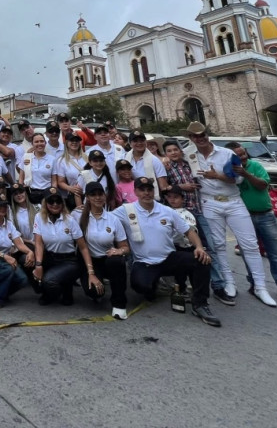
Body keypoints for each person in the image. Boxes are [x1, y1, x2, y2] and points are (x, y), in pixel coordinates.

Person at [185, 123, 276, 308]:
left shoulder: (227, 154)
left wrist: (217, 176)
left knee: (249, 244)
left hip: (233, 201)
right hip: (209, 202)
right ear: (191, 138)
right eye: (195, 136)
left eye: (202, 135)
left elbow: (239, 179)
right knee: (217, 244)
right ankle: (229, 282)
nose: (199, 138)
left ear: (207, 135)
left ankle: (260, 286)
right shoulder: (189, 154)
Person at [116, 177, 221, 327]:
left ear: (154, 191)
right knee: (140, 287)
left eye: (149, 189)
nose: (146, 193)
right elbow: (105, 218)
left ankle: (200, 304)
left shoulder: (166, 211)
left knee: (201, 259)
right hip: (144, 261)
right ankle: (152, 286)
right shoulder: (125, 210)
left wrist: (198, 246)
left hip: (169, 258)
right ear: (136, 192)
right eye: (142, 190)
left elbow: (188, 231)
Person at [227, 143, 277, 303]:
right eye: (238, 156)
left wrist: (246, 173)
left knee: (276, 253)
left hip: (265, 215)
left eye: (244, 154)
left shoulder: (255, 165)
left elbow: (263, 185)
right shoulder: (228, 170)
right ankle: (254, 284)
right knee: (249, 252)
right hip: (244, 218)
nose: (243, 157)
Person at [162, 138, 226, 295]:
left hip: (196, 210)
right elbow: (164, 188)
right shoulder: (167, 168)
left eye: (175, 149)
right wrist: (180, 187)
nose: (173, 153)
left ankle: (218, 284)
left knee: (208, 246)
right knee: (181, 249)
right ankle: (181, 285)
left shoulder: (191, 164)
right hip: (178, 213)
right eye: (169, 151)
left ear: (180, 150)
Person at [77, 182, 130, 319]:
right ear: (87, 197)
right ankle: (96, 291)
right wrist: (91, 273)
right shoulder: (79, 218)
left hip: (108, 259)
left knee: (117, 262)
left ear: (105, 196)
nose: (97, 197)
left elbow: (125, 247)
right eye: (93, 195)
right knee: (94, 292)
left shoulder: (113, 219)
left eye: (100, 194)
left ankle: (119, 303)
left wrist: (120, 251)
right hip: (90, 261)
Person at [32, 191, 91, 306]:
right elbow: (38, 243)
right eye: (51, 201)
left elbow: (83, 247)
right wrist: (38, 265)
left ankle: (63, 289)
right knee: (30, 266)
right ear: (45, 203)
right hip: (49, 257)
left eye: (58, 201)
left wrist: (90, 271)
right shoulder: (39, 217)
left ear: (63, 203)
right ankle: (49, 290)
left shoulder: (70, 220)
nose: (55, 204)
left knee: (49, 281)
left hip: (68, 261)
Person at [126, 130, 169, 196]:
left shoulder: (154, 160)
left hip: (150, 197)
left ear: (145, 142)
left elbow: (163, 185)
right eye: (135, 141)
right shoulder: (124, 158)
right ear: (130, 143)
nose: (139, 143)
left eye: (142, 141)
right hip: (130, 197)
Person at [53, 132, 86, 211]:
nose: (74, 142)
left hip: (90, 194)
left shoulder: (87, 157)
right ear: (66, 142)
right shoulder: (61, 161)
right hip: (74, 195)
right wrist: (70, 188)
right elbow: (60, 182)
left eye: (77, 140)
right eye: (72, 140)